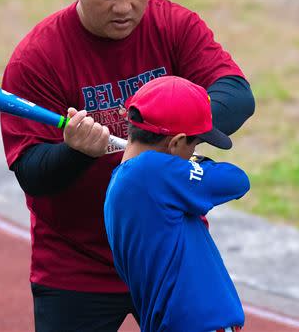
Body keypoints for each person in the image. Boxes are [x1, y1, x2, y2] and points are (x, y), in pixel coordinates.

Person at [0, 0, 255, 331]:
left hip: (168, 250)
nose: (124, 7)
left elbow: (238, 95)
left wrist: (171, 129)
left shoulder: (174, 26)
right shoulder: (37, 58)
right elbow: (32, 172)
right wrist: (75, 152)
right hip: (76, 266)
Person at [104, 76, 250, 332]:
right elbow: (236, 180)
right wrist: (196, 161)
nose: (195, 149)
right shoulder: (153, 172)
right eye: (195, 143)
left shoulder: (124, 181)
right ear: (175, 143)